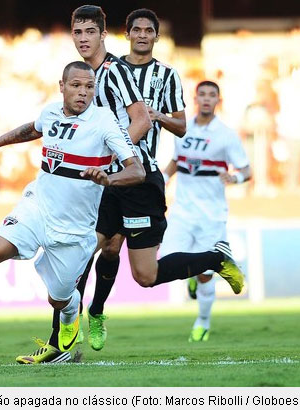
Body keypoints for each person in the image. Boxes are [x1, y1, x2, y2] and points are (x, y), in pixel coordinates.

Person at [30, 5, 244, 361]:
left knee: (145, 275)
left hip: (138, 177)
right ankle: (64, 340)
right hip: (105, 181)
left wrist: (116, 156)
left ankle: (213, 258)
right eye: (77, 33)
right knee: (83, 253)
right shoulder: (88, 75)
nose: (83, 39)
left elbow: (149, 120)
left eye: (89, 32)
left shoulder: (130, 73)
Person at [0, 61, 145, 365]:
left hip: (73, 228)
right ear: (62, 86)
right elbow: (29, 130)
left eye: (89, 87)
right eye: (76, 86)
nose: (83, 92)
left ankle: (72, 313)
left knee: (58, 298)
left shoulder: (105, 122)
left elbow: (136, 170)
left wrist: (107, 178)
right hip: (37, 206)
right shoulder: (51, 112)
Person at [74, 7, 188, 350]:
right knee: (93, 247)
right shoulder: (94, 72)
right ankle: (73, 321)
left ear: (155, 36)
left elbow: (181, 127)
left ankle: (96, 309)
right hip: (101, 175)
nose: (141, 35)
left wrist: (157, 117)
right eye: (135, 29)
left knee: (115, 250)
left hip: (139, 172)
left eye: (147, 30)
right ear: (126, 35)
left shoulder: (165, 75)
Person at [160, 81, 251, 342]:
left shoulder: (226, 135)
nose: (207, 99)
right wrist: (163, 179)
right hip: (182, 212)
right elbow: (177, 161)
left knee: (205, 275)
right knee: (164, 263)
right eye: (203, 94)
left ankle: (202, 322)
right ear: (196, 98)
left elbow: (247, 170)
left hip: (212, 215)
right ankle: (189, 273)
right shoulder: (183, 129)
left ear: (218, 100)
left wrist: (235, 179)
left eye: (212, 95)